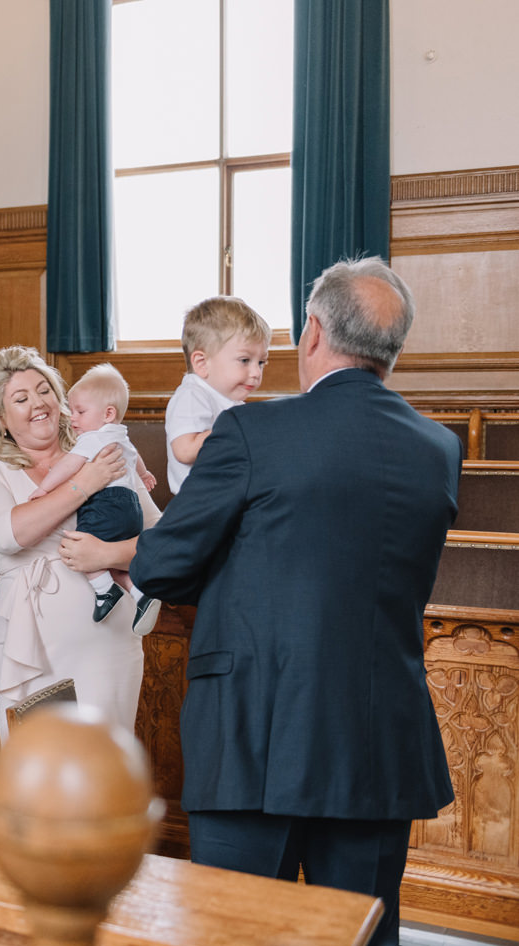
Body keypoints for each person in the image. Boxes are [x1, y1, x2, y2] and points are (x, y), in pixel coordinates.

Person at [130, 257, 457, 946]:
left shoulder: (252, 432)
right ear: (390, 350)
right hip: (377, 740)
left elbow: (162, 565)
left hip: (255, 733)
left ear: (312, 332)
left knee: (236, 935)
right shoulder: (437, 448)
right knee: (362, 935)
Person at [0, 345, 158, 738]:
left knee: (105, 769)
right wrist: (83, 484)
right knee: (39, 773)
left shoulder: (106, 453)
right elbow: (9, 533)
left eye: (44, 390)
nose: (38, 403)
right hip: (31, 646)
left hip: (108, 646)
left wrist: (107, 554)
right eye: (21, 398)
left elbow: (163, 538)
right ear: (1, 418)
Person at [30, 363, 160, 632]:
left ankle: (104, 592)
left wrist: (45, 488)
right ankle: (139, 594)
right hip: (130, 508)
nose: (72, 418)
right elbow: (135, 457)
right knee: (109, 557)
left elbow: (69, 465)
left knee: (79, 548)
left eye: (80, 411)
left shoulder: (93, 438)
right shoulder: (120, 435)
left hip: (105, 504)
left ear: (107, 414)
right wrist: (145, 475)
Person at [164, 296, 271, 495]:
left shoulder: (231, 402)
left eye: (261, 362)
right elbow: (185, 450)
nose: (256, 372)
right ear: (202, 363)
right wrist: (239, 427)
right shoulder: (192, 395)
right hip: (199, 503)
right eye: (245, 360)